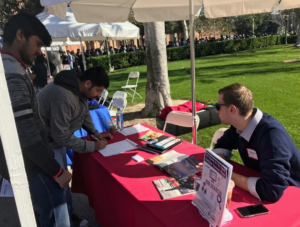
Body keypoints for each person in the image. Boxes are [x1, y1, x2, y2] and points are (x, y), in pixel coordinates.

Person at [0, 12, 72, 226]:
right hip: (32, 167)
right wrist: (57, 170)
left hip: (27, 164)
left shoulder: (11, 67)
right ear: (20, 35)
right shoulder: (11, 71)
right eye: (38, 44)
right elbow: (26, 133)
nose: (39, 52)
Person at [197, 83, 300, 202]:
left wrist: (224, 174)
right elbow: (223, 144)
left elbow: (272, 190)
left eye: (218, 106)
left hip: (292, 196)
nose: (216, 111)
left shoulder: (271, 135)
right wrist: (218, 165)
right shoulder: (239, 126)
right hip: (261, 186)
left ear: (232, 109)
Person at [37, 66, 112, 226]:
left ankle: (69, 216)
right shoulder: (63, 95)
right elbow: (61, 135)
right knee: (57, 188)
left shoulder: (77, 86)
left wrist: (96, 134)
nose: (98, 96)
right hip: (46, 145)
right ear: (88, 83)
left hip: (54, 142)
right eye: (98, 91)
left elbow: (84, 113)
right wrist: (93, 146)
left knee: (63, 186)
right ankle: (61, 221)